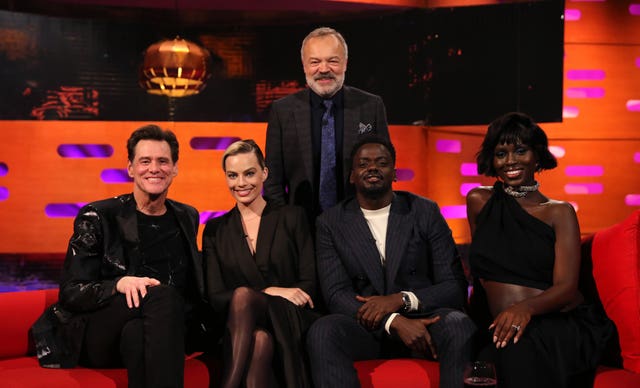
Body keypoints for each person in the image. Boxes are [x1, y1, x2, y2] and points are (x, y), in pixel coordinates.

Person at [32, 124, 205, 388]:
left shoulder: (187, 216)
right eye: (144, 161)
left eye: (163, 161)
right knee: (163, 294)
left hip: (150, 330)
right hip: (100, 331)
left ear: (175, 168)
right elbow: (71, 292)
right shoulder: (98, 216)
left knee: (137, 335)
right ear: (131, 168)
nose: (154, 168)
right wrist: (118, 285)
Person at [307, 135, 476, 388]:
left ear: (394, 173)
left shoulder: (424, 211)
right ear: (352, 175)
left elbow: (454, 286)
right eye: (363, 164)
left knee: (459, 325)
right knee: (323, 331)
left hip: (424, 320)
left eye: (381, 162)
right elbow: (335, 293)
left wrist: (401, 300)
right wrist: (392, 321)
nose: (372, 168)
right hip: (367, 327)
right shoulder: (331, 222)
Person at [466, 112, 614, 387]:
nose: (510, 161)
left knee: (516, 351)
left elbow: (566, 287)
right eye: (501, 153)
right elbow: (484, 269)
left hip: (555, 320)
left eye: (520, 151)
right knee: (485, 358)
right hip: (500, 324)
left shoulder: (559, 212)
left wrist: (524, 309)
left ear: (537, 156)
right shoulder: (478, 201)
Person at [202, 139, 321, 388]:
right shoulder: (215, 230)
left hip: (290, 318)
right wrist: (269, 291)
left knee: (245, 296)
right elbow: (215, 297)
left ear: (264, 173)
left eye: (249, 173)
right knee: (259, 340)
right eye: (233, 175)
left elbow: (309, 283)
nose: (241, 183)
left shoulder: (292, 217)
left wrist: (262, 298)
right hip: (239, 330)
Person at [264, 26, 390, 222]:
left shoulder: (371, 106)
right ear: (304, 66)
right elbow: (272, 181)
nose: (324, 69)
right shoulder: (282, 111)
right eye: (315, 62)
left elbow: (384, 171)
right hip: (301, 229)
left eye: (332, 61)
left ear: (345, 64)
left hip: (360, 226)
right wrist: (284, 225)